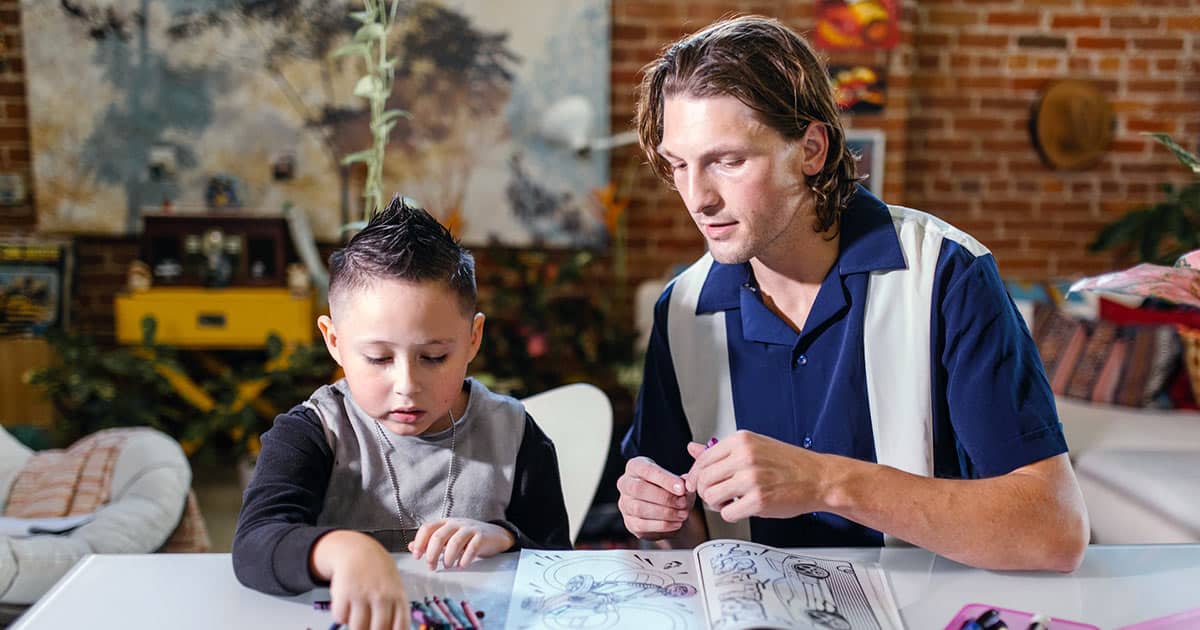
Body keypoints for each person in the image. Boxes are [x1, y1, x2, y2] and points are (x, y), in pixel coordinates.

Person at [617, 15, 1089, 572]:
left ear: (811, 149)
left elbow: (1053, 530)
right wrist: (659, 518)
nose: (698, 198)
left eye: (728, 160)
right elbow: (685, 545)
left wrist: (825, 481)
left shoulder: (948, 275)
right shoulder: (681, 309)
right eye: (678, 165)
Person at [233, 196, 571, 629]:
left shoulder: (514, 432)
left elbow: (559, 558)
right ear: (333, 340)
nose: (407, 385)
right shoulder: (314, 431)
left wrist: (504, 537)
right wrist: (344, 550)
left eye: (433, 357)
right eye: (377, 358)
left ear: (473, 338)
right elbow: (254, 544)